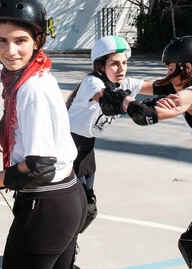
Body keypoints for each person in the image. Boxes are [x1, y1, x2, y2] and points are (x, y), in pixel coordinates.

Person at [100, 35, 192, 269]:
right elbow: (162, 85)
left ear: (187, 67)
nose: (168, 74)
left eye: (171, 68)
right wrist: (125, 84)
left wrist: (122, 99)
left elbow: (146, 116)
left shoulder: (191, 95)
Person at [0, 0, 87, 269]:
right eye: (1, 41)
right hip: (65, 196)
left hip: (47, 206)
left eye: (20, 41)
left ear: (37, 40)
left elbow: (40, 167)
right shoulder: (35, 74)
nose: (9, 51)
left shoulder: (32, 89)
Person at [65, 35, 164, 234]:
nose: (121, 69)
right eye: (115, 64)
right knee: (75, 209)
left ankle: (67, 244)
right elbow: (107, 98)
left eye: (125, 63)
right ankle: (62, 247)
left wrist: (184, 85)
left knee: (88, 208)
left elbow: (156, 86)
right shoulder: (91, 82)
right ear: (101, 66)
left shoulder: (123, 82)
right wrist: (131, 104)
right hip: (67, 148)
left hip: (86, 148)